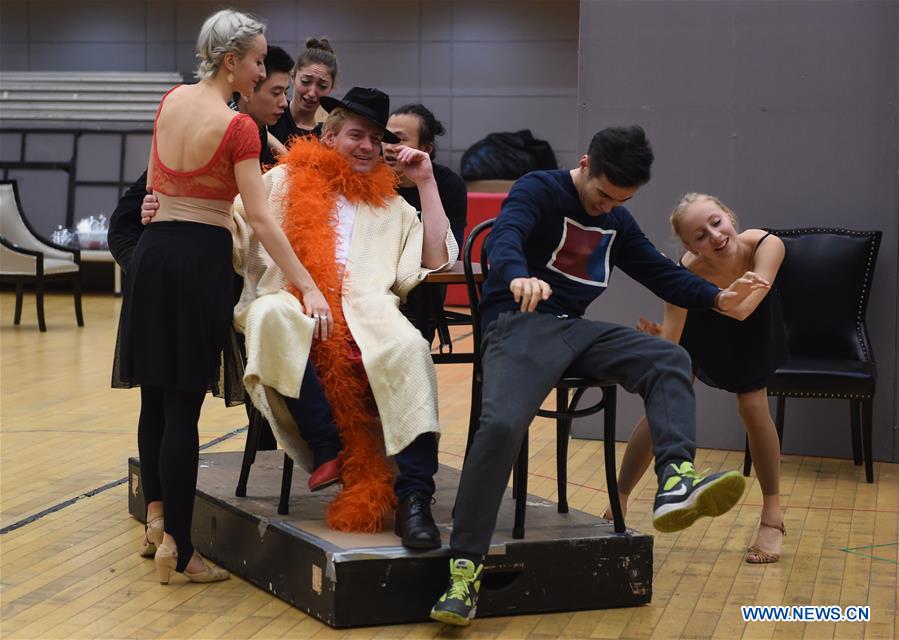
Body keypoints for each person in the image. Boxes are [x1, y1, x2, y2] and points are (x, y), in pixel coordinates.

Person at [430, 125, 769, 626]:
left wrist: (718, 298)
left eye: (620, 200)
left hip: (575, 331)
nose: (607, 207)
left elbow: (661, 273)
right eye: (603, 195)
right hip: (519, 326)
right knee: (500, 426)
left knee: (668, 357)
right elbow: (505, 237)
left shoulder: (617, 220)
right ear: (586, 163)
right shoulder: (539, 188)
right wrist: (517, 275)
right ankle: (465, 570)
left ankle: (676, 478)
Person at [114, 9, 331, 586]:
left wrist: (160, 208)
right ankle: (182, 550)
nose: (263, 71)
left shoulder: (170, 101)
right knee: (182, 410)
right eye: (258, 61)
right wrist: (308, 283)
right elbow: (260, 217)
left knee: (155, 400)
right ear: (231, 60)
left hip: (154, 257)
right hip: (198, 263)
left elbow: (156, 186)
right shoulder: (237, 127)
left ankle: (159, 527)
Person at [231, 87, 457, 549]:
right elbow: (236, 227)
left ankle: (414, 498)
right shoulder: (282, 182)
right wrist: (170, 210)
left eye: (376, 138)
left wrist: (427, 183)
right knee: (269, 314)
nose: (368, 146)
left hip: (369, 314)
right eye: (357, 135)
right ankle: (326, 443)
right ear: (330, 136)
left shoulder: (391, 205)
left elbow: (436, 259)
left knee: (410, 348)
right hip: (291, 300)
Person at [607, 193, 787, 563]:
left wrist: (714, 298)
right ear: (690, 247)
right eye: (700, 236)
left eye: (716, 222)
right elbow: (672, 343)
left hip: (753, 328)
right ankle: (618, 500)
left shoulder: (767, 245)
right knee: (664, 402)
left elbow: (744, 308)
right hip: (705, 326)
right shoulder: (684, 274)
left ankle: (773, 517)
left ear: (729, 215)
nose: (715, 236)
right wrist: (660, 337)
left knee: (753, 408)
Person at [383, 103, 468, 343]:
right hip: (378, 280)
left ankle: (415, 345)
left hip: (420, 286)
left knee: (425, 289)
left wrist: (425, 182)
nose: (389, 146)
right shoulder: (369, 177)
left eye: (399, 139)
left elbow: (441, 259)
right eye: (386, 137)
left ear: (425, 149)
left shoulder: (448, 184)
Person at [268, 37, 337, 144]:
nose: (312, 93)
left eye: (322, 86)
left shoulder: (326, 137)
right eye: (305, 81)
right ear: (293, 77)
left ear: (331, 88)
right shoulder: (270, 115)